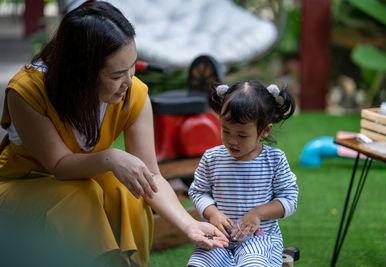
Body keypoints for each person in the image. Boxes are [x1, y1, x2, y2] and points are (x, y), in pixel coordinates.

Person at [0, 1, 228, 266]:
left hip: (83, 182)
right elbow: (59, 166)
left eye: (132, 66)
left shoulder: (133, 93)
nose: (129, 81)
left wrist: (188, 224)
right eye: (117, 74)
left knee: (128, 190)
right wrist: (110, 158)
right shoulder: (28, 92)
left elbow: (151, 175)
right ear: (80, 74)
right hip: (22, 186)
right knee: (80, 194)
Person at [187, 81, 299, 267]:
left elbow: (290, 199)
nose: (232, 141)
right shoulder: (212, 158)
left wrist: (258, 213)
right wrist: (212, 212)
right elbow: (198, 191)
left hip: (259, 240)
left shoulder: (274, 160)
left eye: (242, 135)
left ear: (264, 130)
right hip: (218, 237)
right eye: (226, 130)